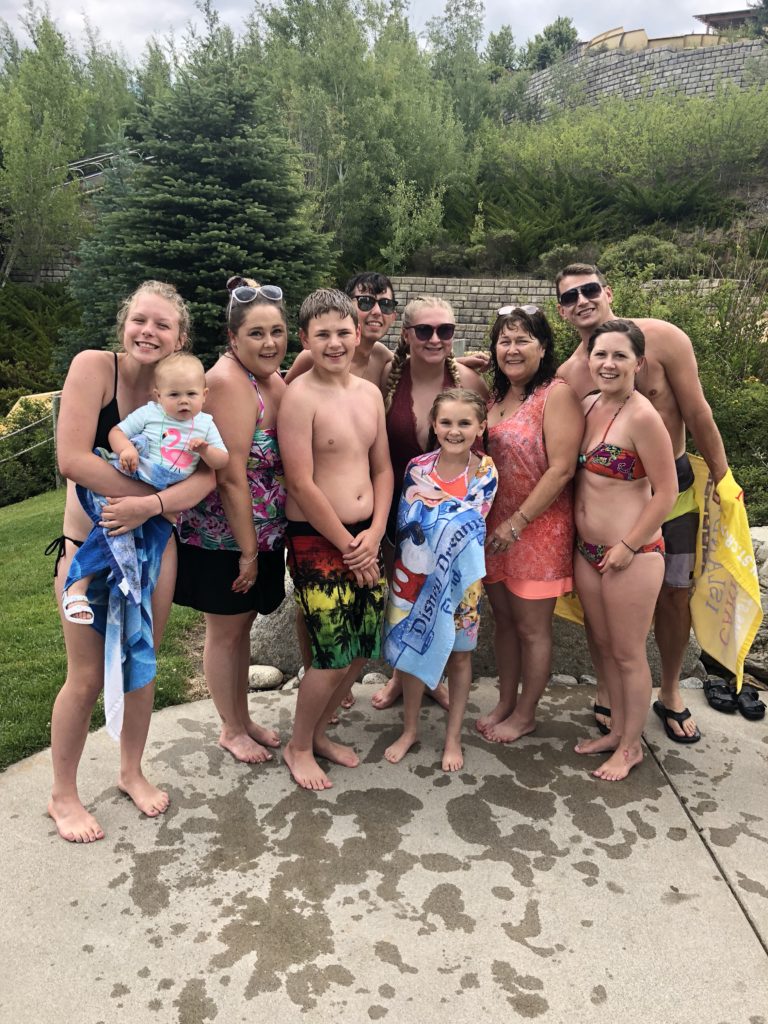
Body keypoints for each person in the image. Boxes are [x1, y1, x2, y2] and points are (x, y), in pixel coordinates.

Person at [47, 281, 215, 843]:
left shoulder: (186, 390)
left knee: (142, 662)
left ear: (180, 337)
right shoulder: (95, 368)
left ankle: (130, 771)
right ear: (124, 323)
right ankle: (62, 794)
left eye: (162, 324)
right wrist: (142, 498)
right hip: (87, 551)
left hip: (154, 548)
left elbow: (209, 474)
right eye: (140, 320)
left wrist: (153, 506)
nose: (149, 331)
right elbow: (72, 458)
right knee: (87, 674)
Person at [556, 263, 730, 743]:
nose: (582, 301)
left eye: (589, 290)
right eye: (570, 297)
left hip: (669, 482)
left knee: (676, 592)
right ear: (562, 310)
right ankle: (611, 692)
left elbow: (697, 412)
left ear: (607, 290)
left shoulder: (664, 339)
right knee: (600, 607)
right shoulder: (572, 374)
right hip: (608, 495)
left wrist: (723, 477)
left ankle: (670, 690)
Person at [278, 288, 392, 790]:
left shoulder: (368, 393)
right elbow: (301, 481)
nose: (335, 342)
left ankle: (320, 733)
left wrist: (376, 532)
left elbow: (384, 467)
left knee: (363, 645)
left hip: (368, 536)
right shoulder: (298, 397)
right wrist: (350, 544)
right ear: (304, 339)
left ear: (357, 332)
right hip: (319, 539)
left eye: (343, 331)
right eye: (322, 334)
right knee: (331, 652)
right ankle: (298, 745)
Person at [174, 277, 288, 764]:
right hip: (225, 538)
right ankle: (228, 727)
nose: (269, 342)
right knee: (224, 631)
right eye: (257, 334)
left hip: (260, 532)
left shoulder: (265, 377)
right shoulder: (228, 382)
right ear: (232, 339)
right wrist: (247, 551)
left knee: (241, 628)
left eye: (278, 331)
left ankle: (241, 718)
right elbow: (230, 476)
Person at [372, 296, 489, 712]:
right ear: (406, 335)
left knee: (444, 599)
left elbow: (482, 455)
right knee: (402, 598)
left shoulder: (470, 384)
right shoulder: (389, 376)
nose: (435, 338)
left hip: (450, 520)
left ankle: (432, 676)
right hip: (394, 511)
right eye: (424, 330)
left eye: (445, 330)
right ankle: (401, 678)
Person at [572, 320, 677, 780]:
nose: (608, 364)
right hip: (586, 551)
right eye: (600, 355)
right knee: (601, 645)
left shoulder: (644, 417)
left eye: (619, 356)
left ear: (640, 362)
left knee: (629, 652)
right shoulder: (590, 404)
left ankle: (632, 745)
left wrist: (628, 545)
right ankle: (616, 729)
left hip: (631, 553)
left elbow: (667, 492)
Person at [477, 305, 583, 743]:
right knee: (502, 621)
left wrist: (517, 522)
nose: (513, 349)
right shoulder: (495, 399)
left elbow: (561, 470)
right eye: (505, 340)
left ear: (543, 347)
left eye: (523, 340)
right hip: (493, 530)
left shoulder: (555, 394)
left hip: (536, 528)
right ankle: (505, 700)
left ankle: (526, 712)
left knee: (532, 627)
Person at [61, 351, 228, 626]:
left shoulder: (205, 425)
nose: (183, 401)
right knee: (110, 528)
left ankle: (128, 588)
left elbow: (221, 461)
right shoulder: (151, 414)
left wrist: (207, 451)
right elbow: (117, 432)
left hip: (165, 494)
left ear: (204, 394)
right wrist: (127, 449)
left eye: (191, 394)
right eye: (174, 395)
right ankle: (78, 583)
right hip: (138, 477)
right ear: (158, 396)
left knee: (146, 543)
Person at [383, 389, 497, 771]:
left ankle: (452, 738)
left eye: (465, 423)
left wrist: (434, 510)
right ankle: (410, 729)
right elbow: (406, 523)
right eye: (446, 422)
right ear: (434, 425)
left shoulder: (485, 472)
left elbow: (470, 522)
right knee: (413, 655)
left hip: (461, 585)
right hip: (415, 580)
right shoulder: (416, 466)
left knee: (461, 657)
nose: (454, 430)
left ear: (480, 426)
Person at [285, 271, 398, 386]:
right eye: (366, 302)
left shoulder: (383, 358)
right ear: (347, 307)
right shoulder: (312, 356)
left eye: (386, 304)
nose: (377, 312)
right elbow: (283, 394)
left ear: (394, 316)